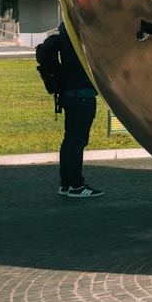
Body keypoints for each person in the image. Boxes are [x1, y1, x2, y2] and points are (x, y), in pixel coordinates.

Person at [44, 25, 104, 198]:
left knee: (69, 139)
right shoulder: (80, 42)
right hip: (83, 95)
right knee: (78, 141)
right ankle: (77, 185)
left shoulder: (63, 39)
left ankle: (66, 183)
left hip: (68, 94)